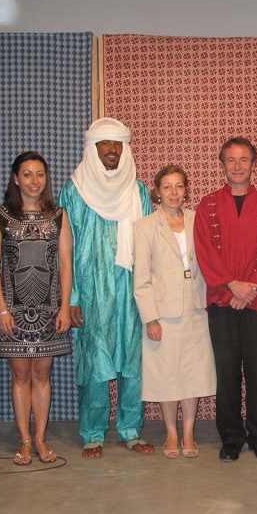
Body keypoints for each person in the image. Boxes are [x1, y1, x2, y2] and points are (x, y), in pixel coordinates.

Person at [58, 117, 155, 458]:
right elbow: (65, 250)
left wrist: (149, 296)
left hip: (130, 291)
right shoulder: (74, 190)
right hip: (91, 290)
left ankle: (130, 430)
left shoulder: (137, 190)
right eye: (105, 144)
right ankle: (93, 433)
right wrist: (71, 298)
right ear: (92, 148)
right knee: (95, 362)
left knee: (133, 362)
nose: (112, 150)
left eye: (117, 144)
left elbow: (147, 245)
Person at [195, 137, 257, 462]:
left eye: (243, 159)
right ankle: (231, 438)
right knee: (227, 371)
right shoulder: (207, 206)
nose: (237, 166)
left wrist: (250, 291)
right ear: (222, 164)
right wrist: (232, 286)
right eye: (230, 160)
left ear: (253, 163)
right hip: (222, 302)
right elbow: (205, 252)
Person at [0, 151, 73, 465]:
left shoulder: (59, 215)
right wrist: (2, 310)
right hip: (13, 311)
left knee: (42, 375)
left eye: (40, 174)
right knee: (20, 376)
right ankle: (24, 440)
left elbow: (66, 265)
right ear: (15, 178)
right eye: (27, 174)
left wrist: (65, 306)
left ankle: (40, 439)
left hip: (49, 311)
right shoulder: (0, 216)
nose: (34, 181)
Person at [133, 166, 216, 459]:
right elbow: (141, 279)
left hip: (196, 308)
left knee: (192, 373)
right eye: (167, 187)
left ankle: (190, 432)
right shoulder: (143, 227)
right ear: (157, 191)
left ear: (186, 190)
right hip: (163, 313)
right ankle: (170, 432)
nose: (173, 193)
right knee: (167, 375)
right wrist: (150, 318)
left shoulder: (199, 220)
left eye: (179, 186)